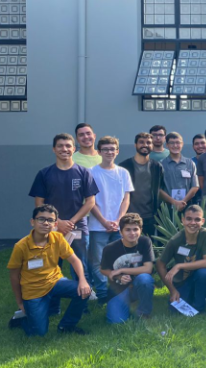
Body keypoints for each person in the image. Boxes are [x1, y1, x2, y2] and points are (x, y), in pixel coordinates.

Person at [8, 205, 91, 336]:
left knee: (85, 290)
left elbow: (75, 260)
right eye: (41, 219)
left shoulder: (57, 238)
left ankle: (67, 326)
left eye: (50, 220)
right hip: (33, 291)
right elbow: (14, 276)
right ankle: (21, 319)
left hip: (55, 282)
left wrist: (82, 280)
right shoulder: (21, 246)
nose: (46, 223)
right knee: (38, 334)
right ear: (32, 222)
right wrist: (20, 302)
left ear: (55, 224)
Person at [29, 133, 98, 280]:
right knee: (49, 265)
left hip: (77, 227)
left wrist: (71, 222)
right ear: (54, 149)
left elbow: (90, 201)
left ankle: (83, 291)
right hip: (50, 227)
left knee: (81, 266)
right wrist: (57, 222)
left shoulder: (84, 172)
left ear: (74, 149)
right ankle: (51, 291)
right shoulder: (44, 173)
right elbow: (39, 203)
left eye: (68, 146)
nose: (64, 149)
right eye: (60, 146)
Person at [88, 136, 134, 303]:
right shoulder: (91, 172)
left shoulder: (123, 172)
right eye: (105, 149)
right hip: (97, 226)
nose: (109, 152)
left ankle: (117, 291)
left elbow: (126, 199)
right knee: (98, 262)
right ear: (99, 152)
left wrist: (119, 220)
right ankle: (102, 294)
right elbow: (90, 201)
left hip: (118, 226)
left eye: (112, 149)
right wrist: (103, 221)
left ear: (117, 151)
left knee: (120, 261)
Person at [156, 205, 206, 314]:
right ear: (183, 220)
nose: (193, 223)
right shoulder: (175, 241)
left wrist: (179, 266)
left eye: (197, 219)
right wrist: (172, 290)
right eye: (189, 219)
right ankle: (187, 296)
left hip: (199, 276)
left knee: (204, 273)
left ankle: (200, 307)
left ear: (202, 221)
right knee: (174, 310)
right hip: (182, 281)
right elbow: (160, 264)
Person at [100, 213, 154, 323]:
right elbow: (103, 269)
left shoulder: (145, 242)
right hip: (119, 288)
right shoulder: (110, 249)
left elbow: (148, 268)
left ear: (141, 230)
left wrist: (121, 270)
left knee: (145, 279)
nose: (132, 233)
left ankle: (144, 313)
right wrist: (119, 277)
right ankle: (124, 305)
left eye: (135, 229)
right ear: (121, 232)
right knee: (116, 321)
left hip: (138, 284)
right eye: (128, 230)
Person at [119, 132, 169, 237]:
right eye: (141, 142)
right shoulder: (124, 166)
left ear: (152, 145)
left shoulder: (157, 167)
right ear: (135, 145)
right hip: (129, 216)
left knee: (148, 244)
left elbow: (160, 189)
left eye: (148, 143)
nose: (145, 145)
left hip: (149, 216)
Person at [161, 132, 199, 211]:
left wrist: (183, 202)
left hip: (187, 206)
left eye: (178, 143)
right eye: (172, 143)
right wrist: (174, 202)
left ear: (182, 144)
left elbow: (195, 186)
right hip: (167, 208)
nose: (175, 145)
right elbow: (158, 189)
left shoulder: (190, 163)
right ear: (167, 145)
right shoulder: (161, 165)